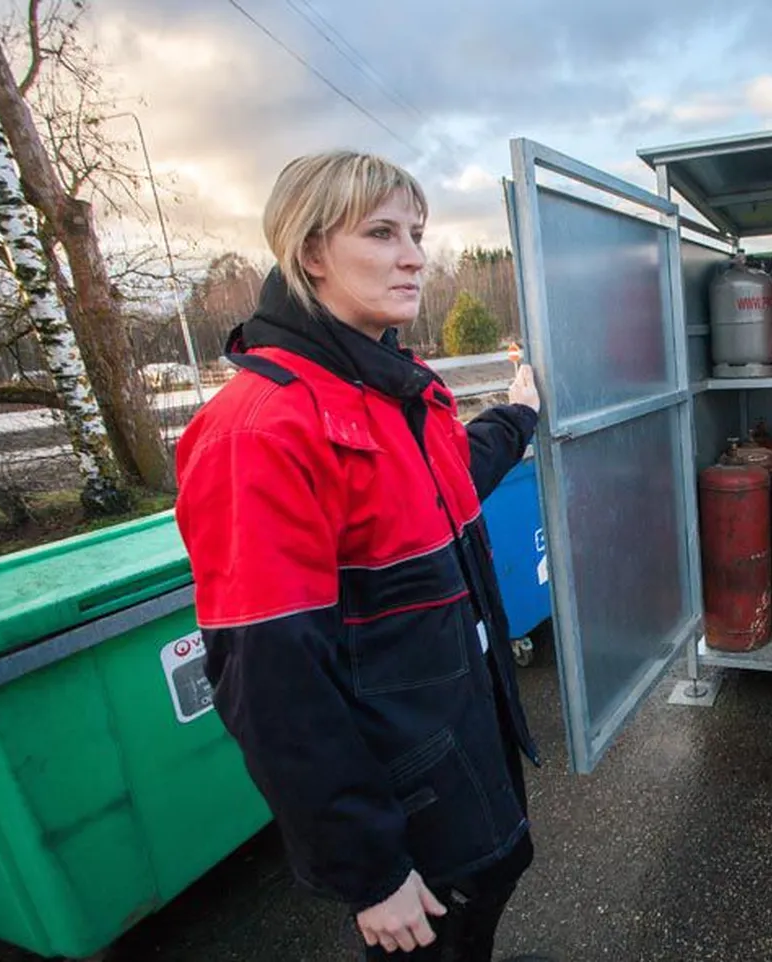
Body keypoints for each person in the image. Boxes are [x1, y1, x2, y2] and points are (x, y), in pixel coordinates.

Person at [174, 150, 552, 962]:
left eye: (416, 231)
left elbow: (452, 472)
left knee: (496, 873)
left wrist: (517, 416)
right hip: (404, 773)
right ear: (311, 253)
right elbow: (268, 682)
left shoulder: (389, 390)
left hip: (457, 728)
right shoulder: (262, 431)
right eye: (381, 233)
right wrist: (369, 869)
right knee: (435, 933)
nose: (414, 253)